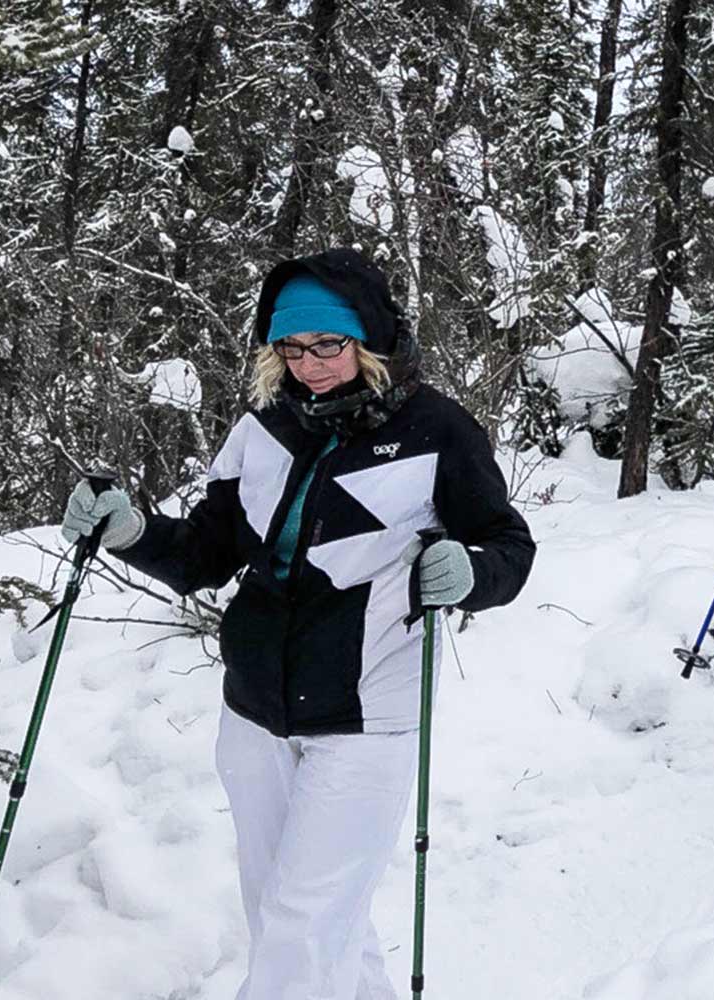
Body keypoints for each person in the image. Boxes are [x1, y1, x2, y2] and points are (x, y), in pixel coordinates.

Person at [60, 248, 537, 998]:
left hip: (366, 715)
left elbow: (508, 544)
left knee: (302, 922)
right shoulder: (264, 428)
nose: (308, 366)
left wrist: (473, 574)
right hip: (255, 710)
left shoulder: (436, 430)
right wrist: (131, 532)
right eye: (291, 347)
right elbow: (207, 552)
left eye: (327, 346)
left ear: (370, 341)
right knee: (296, 915)